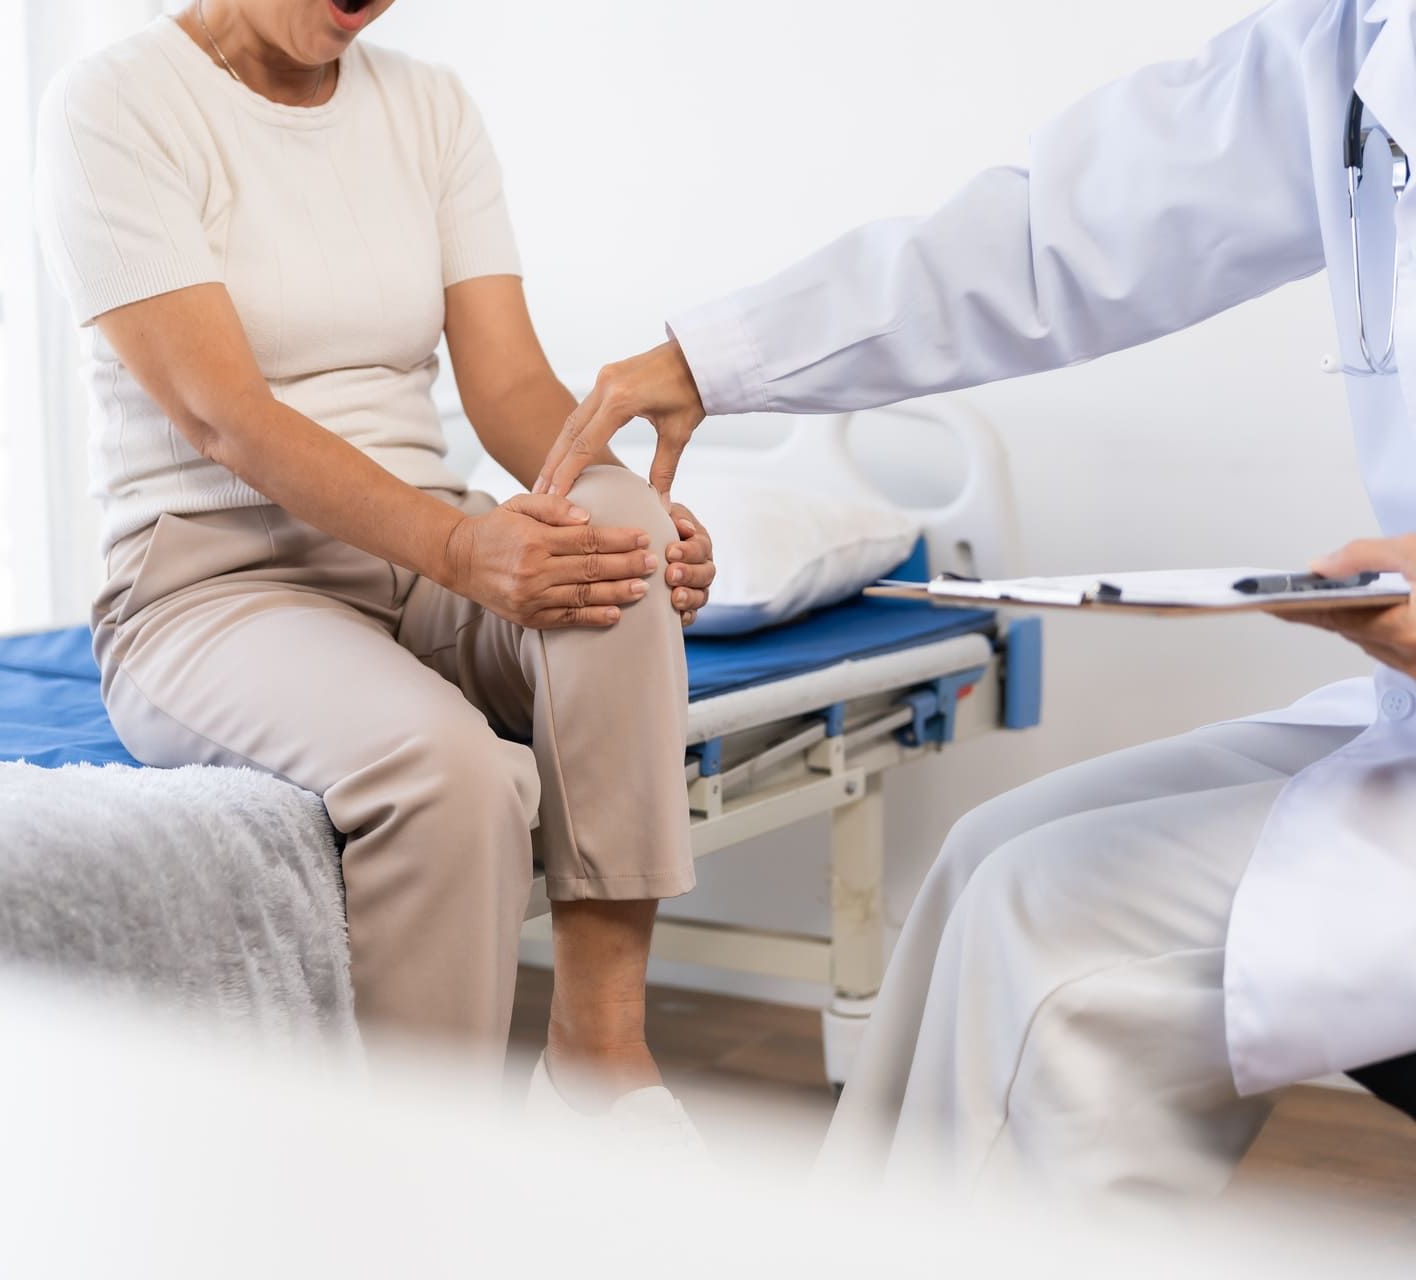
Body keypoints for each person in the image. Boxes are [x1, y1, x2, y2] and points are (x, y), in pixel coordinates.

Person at [538, 0, 1416, 1195]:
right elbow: (1065, 227)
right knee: (981, 853)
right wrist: (717, 360)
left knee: (1045, 933)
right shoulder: (1353, 41)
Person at [31, 0, 718, 1135]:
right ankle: (409, 1190)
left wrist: (640, 510)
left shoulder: (429, 108)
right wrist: (457, 544)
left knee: (618, 547)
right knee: (457, 778)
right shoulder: (116, 104)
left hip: (421, 557)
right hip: (216, 583)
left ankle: (599, 1059)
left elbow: (507, 396)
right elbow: (223, 416)